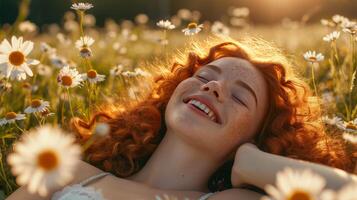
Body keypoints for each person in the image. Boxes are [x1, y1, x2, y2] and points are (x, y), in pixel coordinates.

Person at [6, 36, 356, 200]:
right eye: (205, 77)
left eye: (239, 96)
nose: (215, 87)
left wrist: (252, 162)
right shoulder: (71, 172)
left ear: (255, 136)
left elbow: (347, 193)